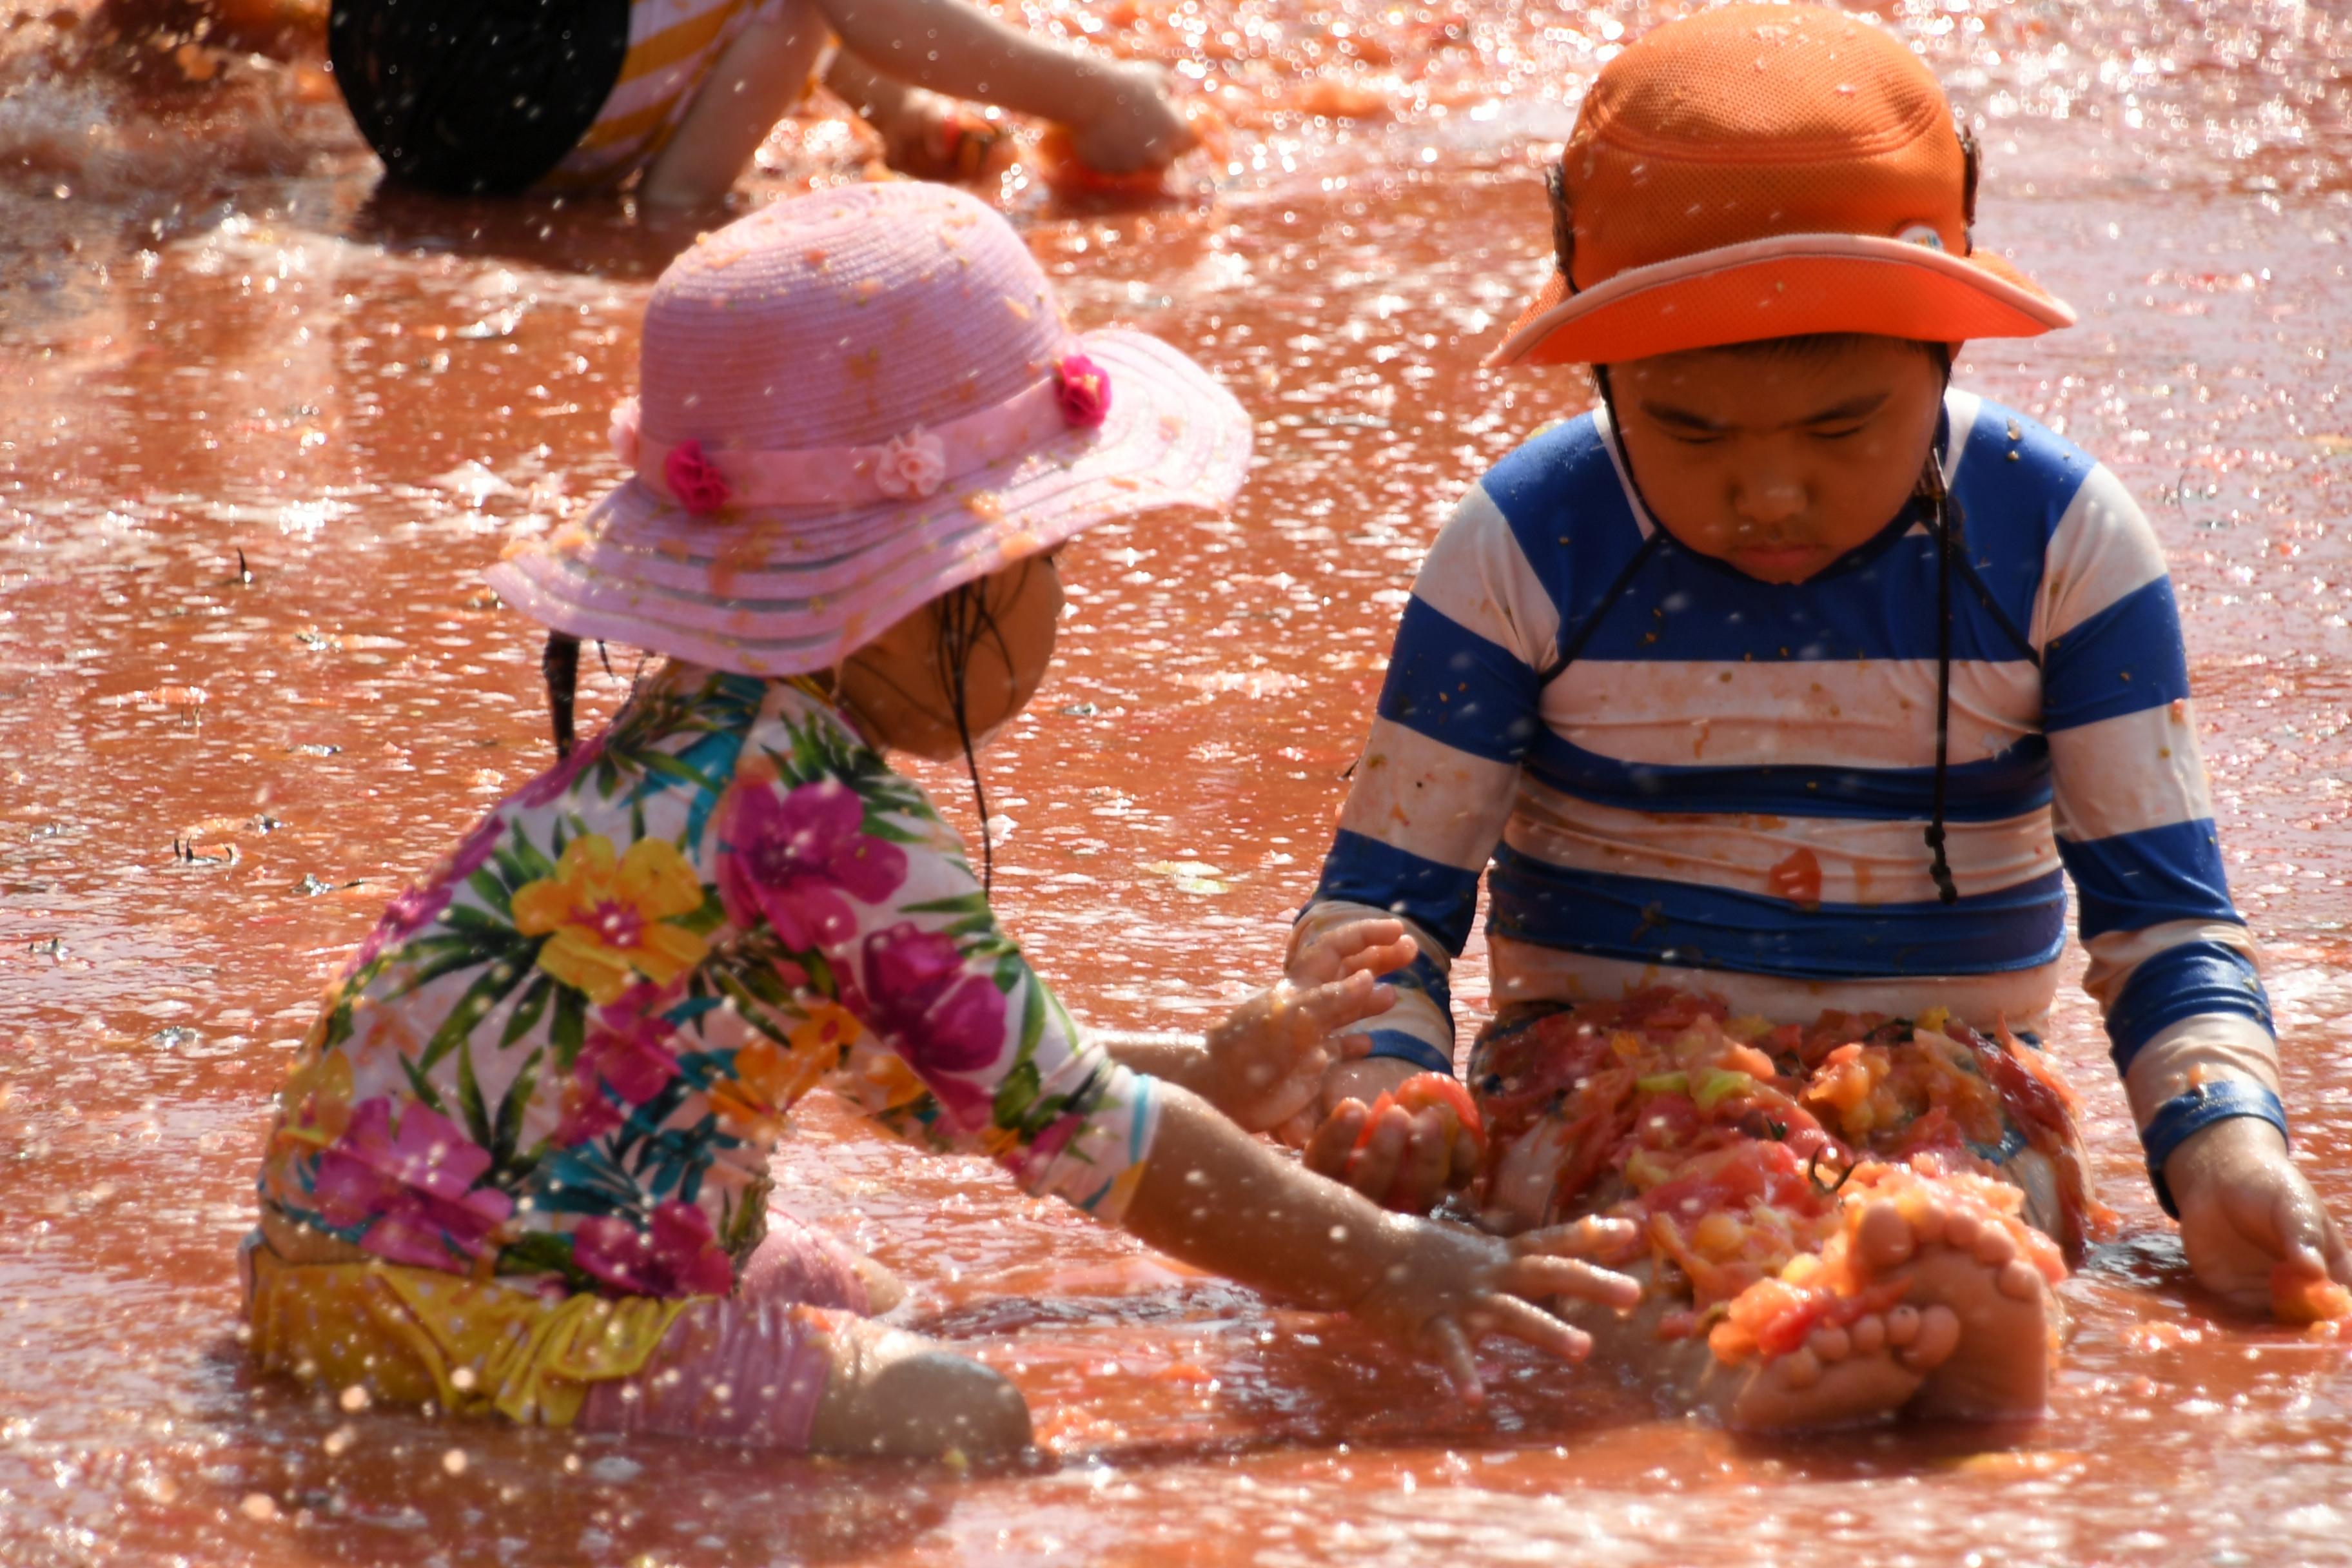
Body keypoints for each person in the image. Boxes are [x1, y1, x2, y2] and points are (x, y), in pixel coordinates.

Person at [242, 181, 1641, 1460]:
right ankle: (518, 1482)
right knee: (958, 1415)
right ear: (932, 586)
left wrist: (1214, 1067)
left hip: (352, 1269)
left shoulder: (701, 746)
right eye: (1043, 560)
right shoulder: (822, 819)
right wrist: (1388, 1265)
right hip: (477, 1315)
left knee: (863, 1293)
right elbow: (1091, 1137)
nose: (1054, 604)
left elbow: (938, 1080)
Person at [1265, 5, 2352, 1429]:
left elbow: (2165, 920)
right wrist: (1389, 1083)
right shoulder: (1528, 541)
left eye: (1841, 430)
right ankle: (1750, 1357)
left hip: (1953, 1067)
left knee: (1979, 1183)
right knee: (1619, 1202)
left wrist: (2223, 1154)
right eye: (1693, 431)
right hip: (1588, 1067)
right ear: (1606, 380)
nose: (1768, 494)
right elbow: (1378, 914)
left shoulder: (2065, 543)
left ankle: (1913, 1306)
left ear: (1944, 358)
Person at [324, 0, 1191, 204]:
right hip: (545, 116)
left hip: (419, 128)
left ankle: (905, 115)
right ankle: (1107, 106)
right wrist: (1095, 91)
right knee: (788, 9)